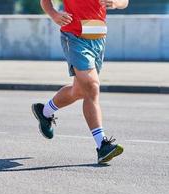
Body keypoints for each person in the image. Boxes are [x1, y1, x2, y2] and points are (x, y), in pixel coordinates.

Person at [32, 0, 129, 164]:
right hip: (74, 37)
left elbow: (125, 2)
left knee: (79, 91)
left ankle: (45, 111)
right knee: (91, 87)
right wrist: (54, 14)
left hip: (98, 38)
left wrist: (116, 2)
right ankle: (102, 145)